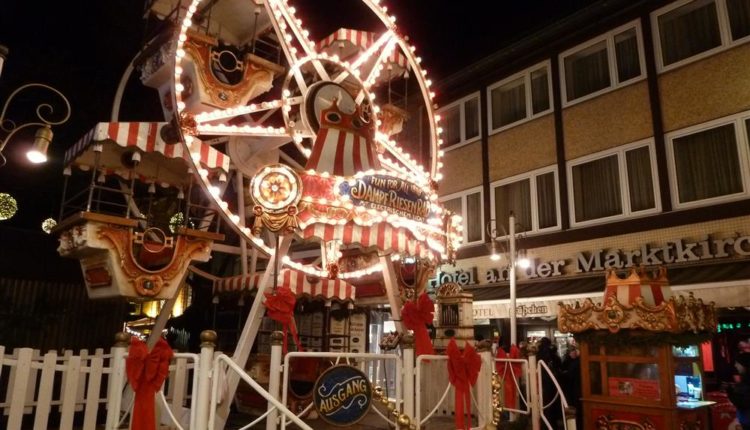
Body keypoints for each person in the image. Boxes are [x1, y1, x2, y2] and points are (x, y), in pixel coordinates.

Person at [537, 337, 563, 430]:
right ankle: (551, 423)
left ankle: (544, 423)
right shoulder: (551, 354)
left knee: (544, 403)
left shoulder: (539, 353)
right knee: (551, 403)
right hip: (550, 382)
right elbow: (558, 364)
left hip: (542, 381)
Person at [729, 340, 750, 430]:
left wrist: (730, 392)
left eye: (737, 364)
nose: (736, 366)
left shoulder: (746, 381)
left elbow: (743, 402)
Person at [560, 345, 582, 428]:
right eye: (572, 352)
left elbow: (570, 375)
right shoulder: (573, 362)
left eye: (574, 351)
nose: (573, 353)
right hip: (573, 388)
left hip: (574, 389)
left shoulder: (576, 362)